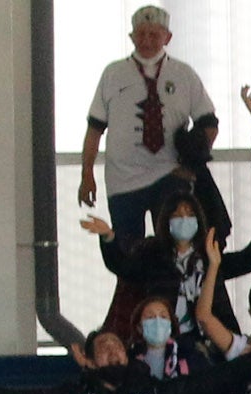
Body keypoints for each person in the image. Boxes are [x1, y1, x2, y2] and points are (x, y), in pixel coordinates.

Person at [80, 7, 219, 245]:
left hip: (169, 174)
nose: (146, 41)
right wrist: (86, 175)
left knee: (174, 247)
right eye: (140, 34)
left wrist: (191, 167)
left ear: (167, 37)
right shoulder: (113, 74)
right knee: (126, 253)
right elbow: (94, 130)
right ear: (131, 37)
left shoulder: (184, 74)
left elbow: (209, 123)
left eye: (153, 35)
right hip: (122, 178)